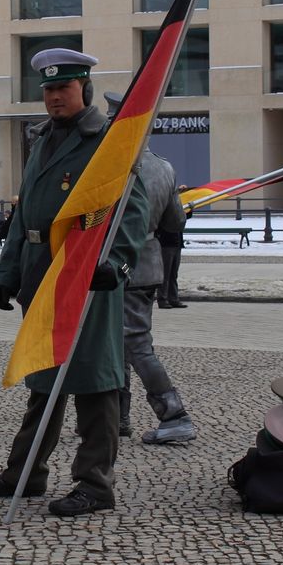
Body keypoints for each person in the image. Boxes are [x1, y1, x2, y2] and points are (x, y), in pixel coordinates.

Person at [0, 48, 149, 517]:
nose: (54, 97)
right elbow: (23, 214)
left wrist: (116, 262)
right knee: (44, 375)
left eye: (63, 88)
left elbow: (132, 209)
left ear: (84, 90)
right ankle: (25, 472)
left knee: (95, 381)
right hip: (39, 271)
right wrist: (7, 274)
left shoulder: (107, 140)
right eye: (49, 90)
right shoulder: (42, 138)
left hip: (85, 272)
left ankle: (95, 484)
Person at [102, 92, 197, 446]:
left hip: (118, 265)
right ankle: (118, 418)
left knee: (136, 345)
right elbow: (175, 223)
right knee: (116, 343)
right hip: (146, 266)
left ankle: (174, 415)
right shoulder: (164, 167)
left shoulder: (110, 165)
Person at [156, 187, 187, 309]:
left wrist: (190, 208)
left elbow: (183, 219)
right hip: (166, 244)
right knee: (165, 274)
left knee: (174, 274)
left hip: (177, 244)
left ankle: (174, 298)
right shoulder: (163, 205)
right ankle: (162, 300)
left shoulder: (177, 207)